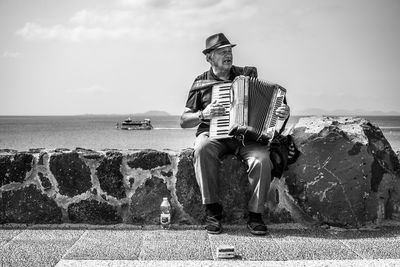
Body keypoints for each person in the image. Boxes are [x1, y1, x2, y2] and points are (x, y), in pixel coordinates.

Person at [180, 33, 290, 235]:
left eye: (229, 51)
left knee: (262, 159)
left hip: (246, 137)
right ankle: (212, 210)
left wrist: (282, 111)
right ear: (209, 57)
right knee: (202, 148)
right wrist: (204, 114)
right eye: (222, 52)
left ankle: (255, 214)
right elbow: (184, 120)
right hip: (214, 136)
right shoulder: (201, 82)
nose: (227, 55)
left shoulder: (246, 76)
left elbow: (268, 103)